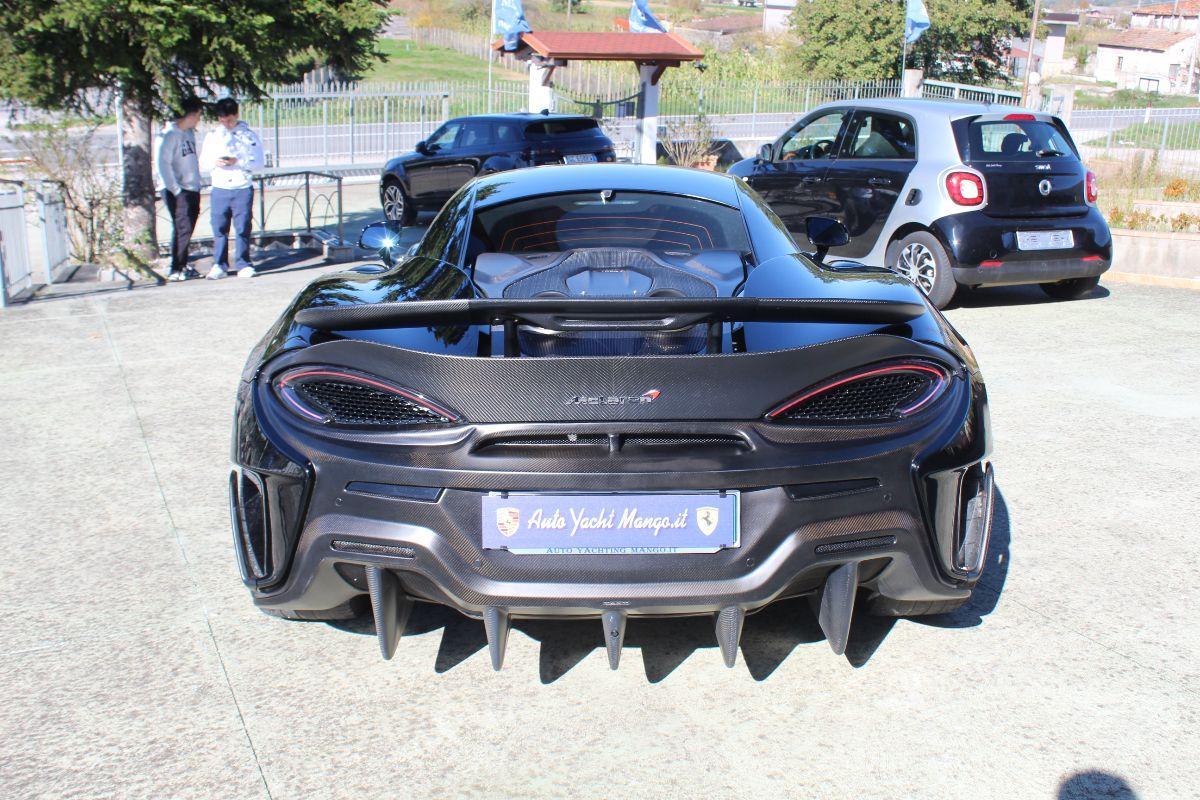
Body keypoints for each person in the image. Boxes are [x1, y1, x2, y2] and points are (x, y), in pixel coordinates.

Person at [199, 97, 264, 279]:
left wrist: (239, 161)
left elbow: (259, 162)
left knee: (242, 226)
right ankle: (219, 264)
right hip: (220, 186)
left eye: (229, 119)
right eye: (222, 119)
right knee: (219, 227)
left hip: (241, 185)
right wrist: (215, 162)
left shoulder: (248, 136)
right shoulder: (213, 136)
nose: (226, 123)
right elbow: (203, 162)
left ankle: (243, 263)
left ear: (236, 115)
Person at [156, 98, 203, 281]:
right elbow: (163, 164)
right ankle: (176, 268)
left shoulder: (189, 133)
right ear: (190, 115)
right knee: (182, 226)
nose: (198, 120)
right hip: (178, 189)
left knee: (186, 226)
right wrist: (176, 189)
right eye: (197, 116)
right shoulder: (170, 135)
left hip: (191, 187)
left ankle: (181, 264)